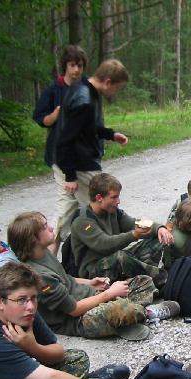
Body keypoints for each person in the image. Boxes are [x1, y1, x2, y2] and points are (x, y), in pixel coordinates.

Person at [8, 212, 179, 340]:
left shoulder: (44, 253)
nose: (51, 227)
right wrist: (108, 294)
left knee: (144, 282)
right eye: (45, 227)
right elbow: (73, 310)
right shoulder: (37, 275)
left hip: (91, 298)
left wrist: (91, 283)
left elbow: (65, 278)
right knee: (119, 308)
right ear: (33, 239)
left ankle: (126, 319)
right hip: (79, 320)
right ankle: (147, 313)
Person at [54, 59, 130, 253]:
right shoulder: (84, 101)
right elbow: (65, 138)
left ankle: (49, 260)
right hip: (80, 165)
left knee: (66, 212)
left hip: (72, 162)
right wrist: (70, 175)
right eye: (117, 88)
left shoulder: (84, 90)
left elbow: (86, 128)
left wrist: (110, 134)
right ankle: (110, 250)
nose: (116, 92)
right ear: (107, 81)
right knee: (105, 204)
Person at [70, 173, 173, 288]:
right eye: (114, 197)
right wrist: (134, 235)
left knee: (157, 238)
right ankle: (165, 280)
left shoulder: (112, 211)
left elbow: (136, 224)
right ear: (99, 198)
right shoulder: (83, 220)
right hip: (93, 272)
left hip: (115, 261)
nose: (118, 201)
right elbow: (103, 244)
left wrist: (160, 228)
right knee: (121, 257)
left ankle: (148, 277)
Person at [32, 45, 88, 255]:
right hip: (62, 157)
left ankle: (60, 254)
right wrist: (55, 115)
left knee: (85, 205)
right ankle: (51, 254)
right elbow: (41, 118)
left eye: (80, 65)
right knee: (71, 205)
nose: (76, 70)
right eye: (73, 65)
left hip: (84, 157)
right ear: (65, 66)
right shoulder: (53, 90)